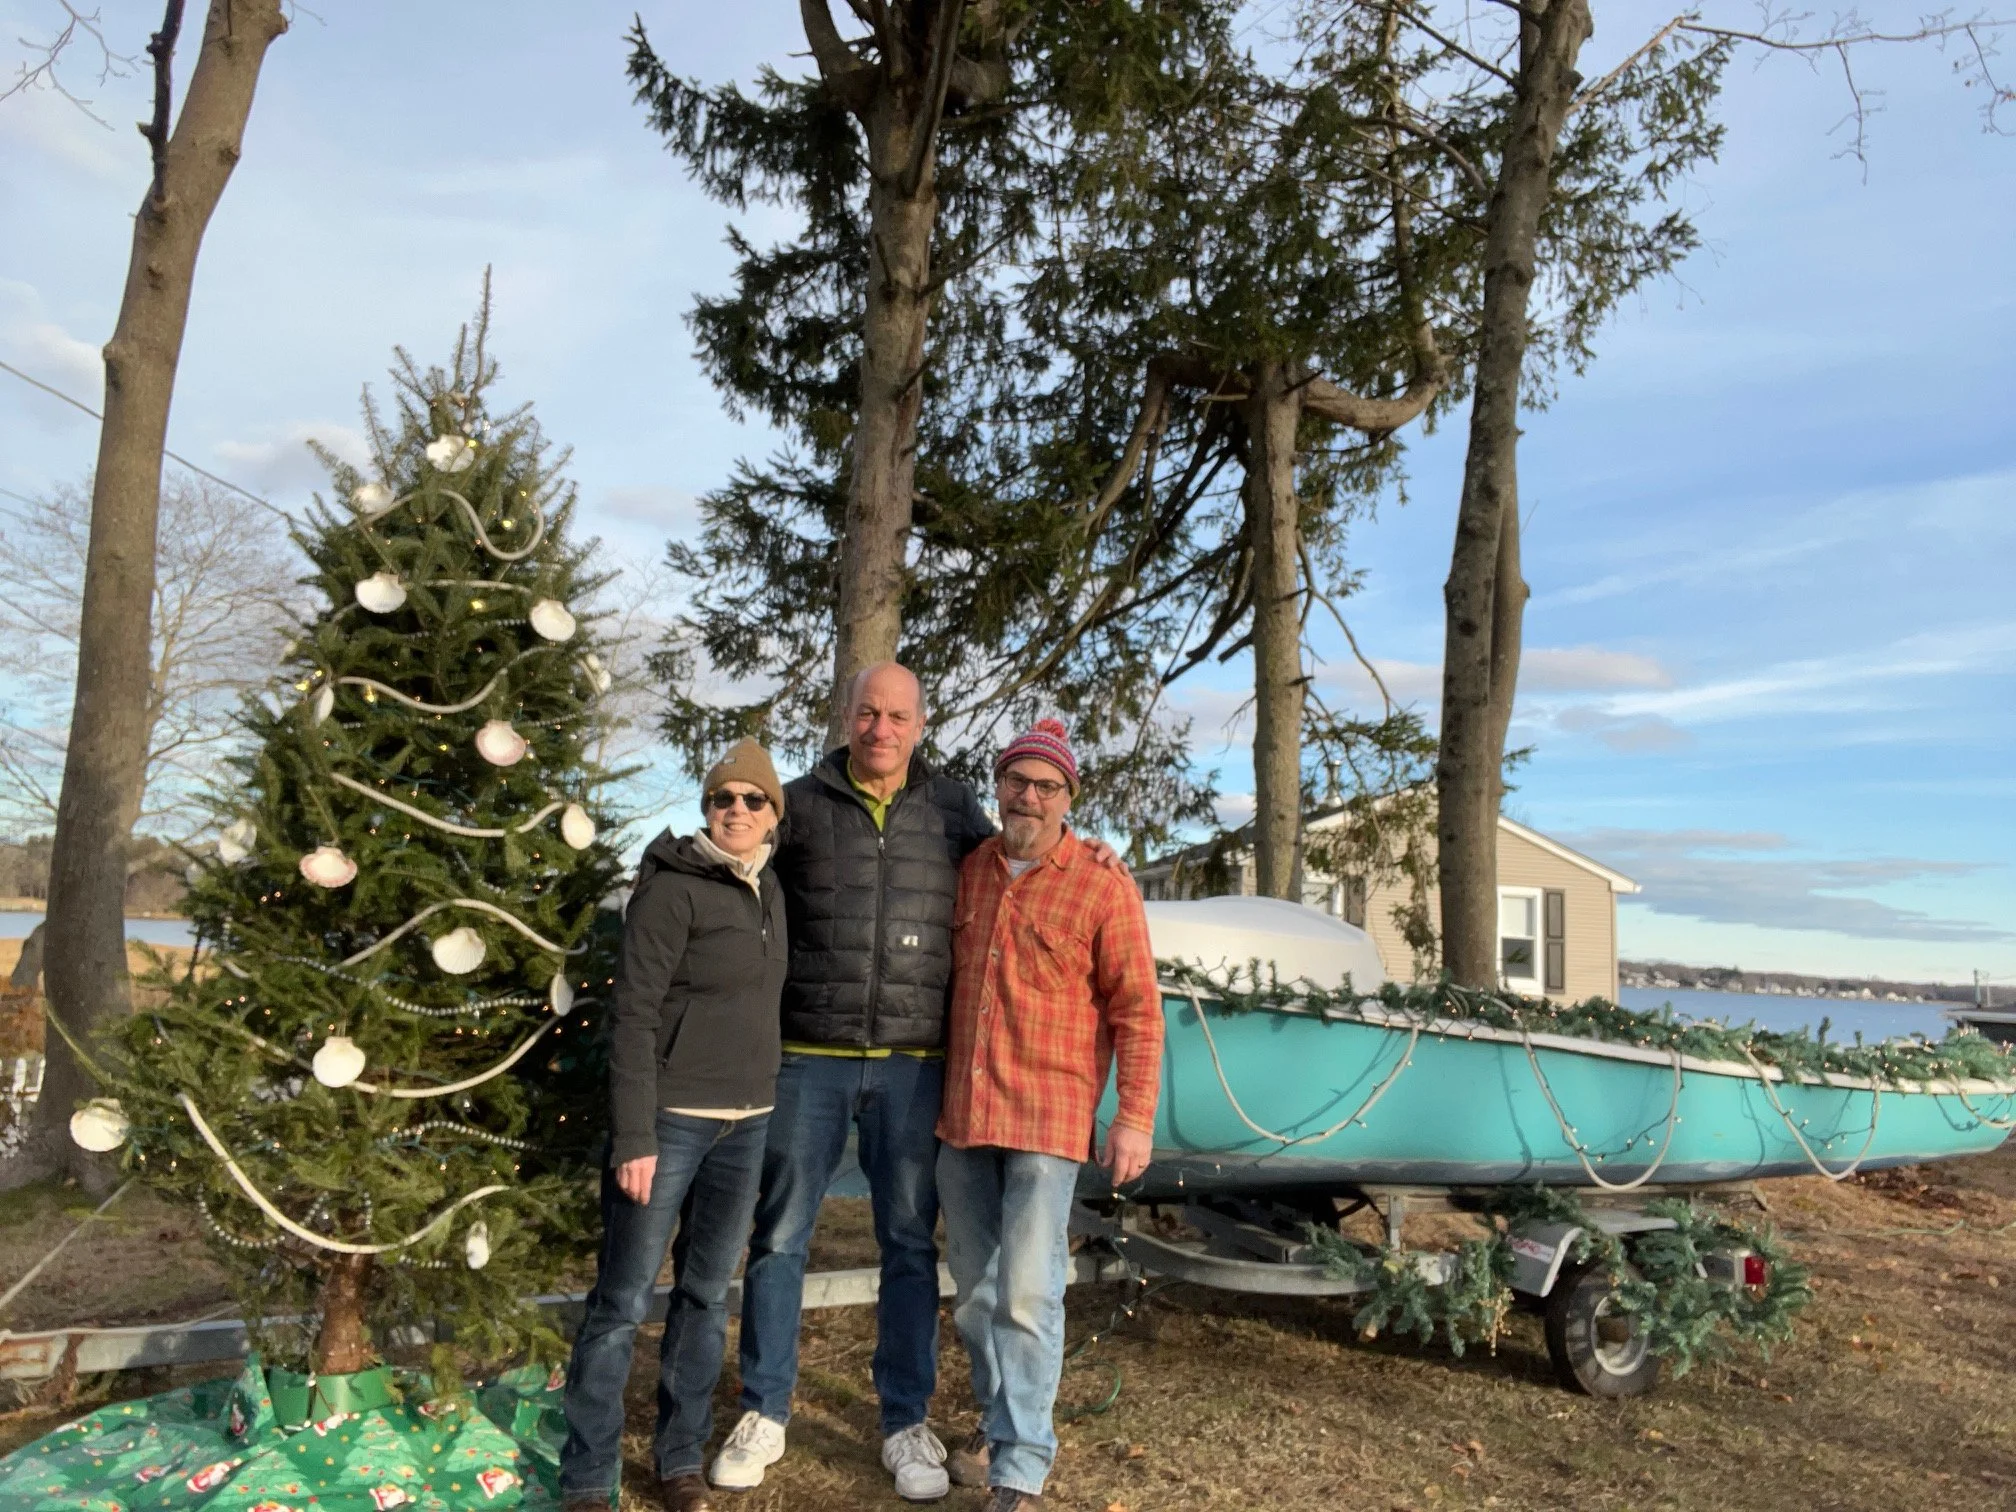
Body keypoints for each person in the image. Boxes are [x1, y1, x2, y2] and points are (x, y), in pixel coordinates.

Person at [712, 665, 1128, 1502]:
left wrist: (1094, 852)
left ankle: (905, 1420)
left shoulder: (951, 811)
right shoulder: (799, 802)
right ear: (846, 715)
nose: (880, 727)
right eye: (866, 711)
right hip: (810, 1060)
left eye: (897, 714)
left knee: (909, 1245)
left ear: (920, 723)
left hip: (912, 1069)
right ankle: (765, 1407)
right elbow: (731, 861)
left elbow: (1026, 850)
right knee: (781, 1236)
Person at [936, 719, 1163, 1511]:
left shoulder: (1103, 882)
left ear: (1069, 797)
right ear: (997, 787)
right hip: (964, 1118)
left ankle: (1022, 1467)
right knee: (973, 1296)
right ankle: (1001, 1425)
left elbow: (1138, 1009)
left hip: (1049, 1118)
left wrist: (1133, 1117)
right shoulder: (970, 871)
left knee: (1030, 1295)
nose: (1028, 797)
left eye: (1046, 786)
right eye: (1016, 781)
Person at [559, 740, 788, 1512]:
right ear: (707, 808)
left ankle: (679, 1458)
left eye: (754, 800)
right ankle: (589, 1473)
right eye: (724, 798)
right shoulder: (670, 890)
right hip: (671, 1123)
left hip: (747, 1125)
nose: (738, 811)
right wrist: (635, 1137)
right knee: (622, 1299)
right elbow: (632, 1017)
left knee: (703, 1297)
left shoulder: (770, 891)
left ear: (772, 814)